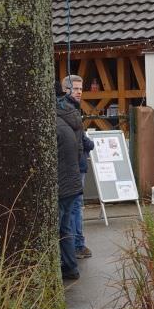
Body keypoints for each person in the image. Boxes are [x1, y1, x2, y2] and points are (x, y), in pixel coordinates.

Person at [58, 75, 95, 259]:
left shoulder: (67, 108)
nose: (79, 92)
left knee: (72, 208)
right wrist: (89, 144)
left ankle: (73, 246)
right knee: (74, 208)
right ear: (66, 90)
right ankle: (76, 245)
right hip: (74, 166)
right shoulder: (69, 110)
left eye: (81, 89)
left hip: (72, 165)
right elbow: (80, 139)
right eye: (75, 89)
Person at [56, 82, 88, 283]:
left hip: (62, 183)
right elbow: (80, 148)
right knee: (66, 225)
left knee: (59, 227)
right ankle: (70, 266)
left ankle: (66, 265)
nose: (79, 92)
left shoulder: (54, 123)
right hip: (73, 178)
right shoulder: (71, 116)